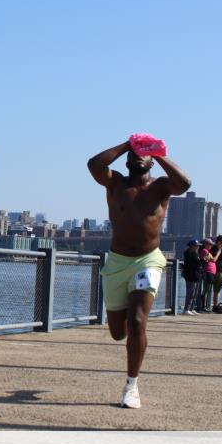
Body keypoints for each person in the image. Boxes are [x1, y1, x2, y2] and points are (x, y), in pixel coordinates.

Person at [88, 137, 191, 409]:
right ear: (126, 161)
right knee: (118, 333)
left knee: (136, 322)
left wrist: (157, 152)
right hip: (117, 263)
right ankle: (130, 338)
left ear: (151, 161)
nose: (138, 155)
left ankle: (131, 386)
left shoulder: (161, 187)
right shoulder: (116, 183)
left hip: (148, 261)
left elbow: (184, 183)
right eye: (134, 153)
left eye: (143, 153)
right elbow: (94, 165)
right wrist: (127, 144)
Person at [182, 239, 202, 315]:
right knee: (190, 293)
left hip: (196, 275)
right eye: (196, 246)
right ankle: (186, 309)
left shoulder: (195, 254)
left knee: (195, 293)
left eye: (198, 246)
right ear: (192, 246)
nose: (198, 247)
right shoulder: (190, 254)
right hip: (191, 276)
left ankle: (191, 308)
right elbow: (197, 264)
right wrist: (203, 261)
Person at [198, 238, 217, 313]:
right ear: (205, 244)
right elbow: (214, 260)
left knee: (207, 290)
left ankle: (204, 306)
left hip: (210, 272)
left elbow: (211, 259)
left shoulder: (207, 251)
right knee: (206, 290)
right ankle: (203, 307)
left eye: (211, 244)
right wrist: (219, 252)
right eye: (209, 244)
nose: (211, 246)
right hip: (207, 272)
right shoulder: (204, 251)